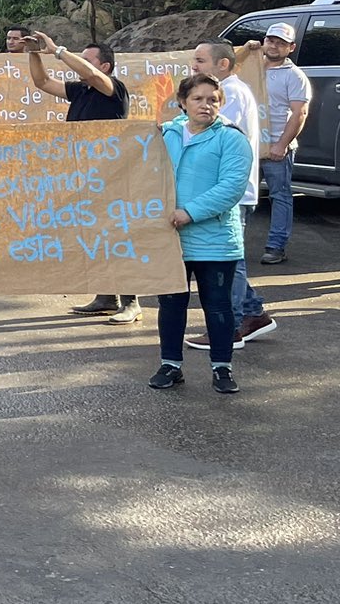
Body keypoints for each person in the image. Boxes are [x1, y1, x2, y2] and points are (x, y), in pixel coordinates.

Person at [25, 34, 137, 322]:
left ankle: (131, 301)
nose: (81, 66)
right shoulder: (81, 91)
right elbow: (42, 82)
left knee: (117, 236)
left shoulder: (114, 90)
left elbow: (89, 74)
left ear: (106, 67)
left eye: (88, 59)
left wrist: (58, 50)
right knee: (95, 235)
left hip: (111, 175)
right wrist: (34, 53)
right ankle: (106, 297)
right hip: (85, 175)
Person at [153, 75, 254, 394]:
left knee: (218, 307)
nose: (206, 105)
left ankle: (222, 368)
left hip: (216, 241)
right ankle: (171, 365)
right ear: (183, 102)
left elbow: (232, 187)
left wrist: (189, 212)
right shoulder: (165, 134)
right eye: (198, 98)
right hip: (172, 240)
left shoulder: (231, 138)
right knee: (171, 305)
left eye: (212, 99)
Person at [188, 41, 269, 347]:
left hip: (230, 192)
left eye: (200, 60)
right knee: (230, 261)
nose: (194, 66)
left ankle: (231, 328)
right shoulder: (231, 89)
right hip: (229, 191)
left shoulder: (229, 93)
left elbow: (213, 133)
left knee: (228, 261)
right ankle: (253, 314)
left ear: (222, 65)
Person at [257, 23, 311, 265]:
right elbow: (221, 61)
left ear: (291, 47)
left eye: (281, 42)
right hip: (247, 146)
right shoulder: (250, 67)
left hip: (276, 147)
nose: (274, 45)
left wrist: (282, 144)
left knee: (280, 196)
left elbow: (300, 113)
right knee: (239, 196)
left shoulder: (294, 76)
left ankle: (276, 246)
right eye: (271, 40)